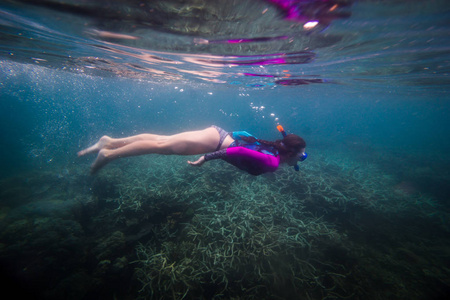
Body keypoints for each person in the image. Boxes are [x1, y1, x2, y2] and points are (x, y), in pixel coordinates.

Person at [78, 125, 307, 175]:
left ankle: (109, 141)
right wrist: (205, 159)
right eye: (300, 156)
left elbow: (240, 135)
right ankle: (108, 154)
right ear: (291, 153)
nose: (300, 159)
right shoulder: (273, 162)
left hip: (218, 134)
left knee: (161, 139)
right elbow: (238, 152)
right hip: (213, 144)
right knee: (160, 146)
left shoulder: (273, 150)